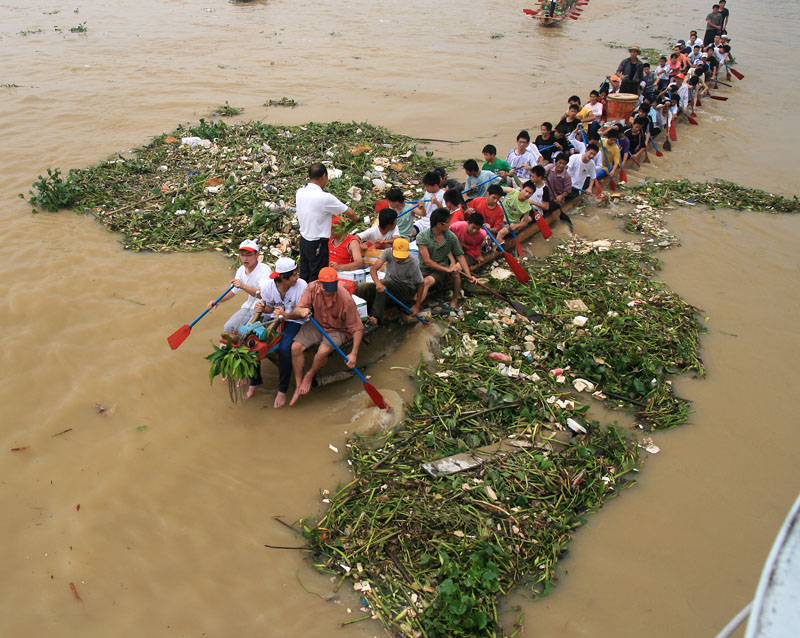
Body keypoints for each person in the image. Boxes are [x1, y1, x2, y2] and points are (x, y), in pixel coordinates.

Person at [286, 267, 364, 406]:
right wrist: (303, 310)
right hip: (317, 324)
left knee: (322, 351)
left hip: (338, 329)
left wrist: (354, 353)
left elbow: (357, 328)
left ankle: (310, 374)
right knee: (295, 348)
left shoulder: (345, 299)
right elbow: (298, 309)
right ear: (320, 284)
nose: (330, 292)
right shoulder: (312, 287)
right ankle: (298, 383)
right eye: (327, 288)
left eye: (332, 288)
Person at [252, 257, 308, 407]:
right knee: (252, 339)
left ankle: (282, 390)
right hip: (275, 318)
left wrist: (286, 314)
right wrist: (263, 308)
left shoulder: (302, 286)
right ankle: (255, 380)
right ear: (283, 278)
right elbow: (269, 308)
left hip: (294, 320)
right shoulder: (268, 287)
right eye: (294, 275)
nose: (297, 277)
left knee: (284, 349)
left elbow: (301, 313)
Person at [296, 163, 359, 283]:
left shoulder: (300, 192)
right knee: (317, 278)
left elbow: (314, 210)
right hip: (318, 245)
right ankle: (315, 301)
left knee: (304, 275)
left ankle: (304, 300)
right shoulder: (325, 198)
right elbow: (350, 213)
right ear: (324, 176)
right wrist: (356, 219)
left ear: (309, 175)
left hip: (304, 241)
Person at [416, 208, 475, 311]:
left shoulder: (451, 237)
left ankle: (455, 298)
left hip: (440, 271)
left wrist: (469, 275)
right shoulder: (422, 236)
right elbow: (427, 262)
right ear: (440, 224)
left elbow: (460, 256)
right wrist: (447, 269)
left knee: (427, 281)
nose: (450, 224)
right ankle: (412, 305)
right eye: (448, 222)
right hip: (424, 269)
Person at [356, 237, 425, 324]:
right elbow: (373, 270)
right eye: (397, 257)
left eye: (401, 258)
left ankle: (375, 318)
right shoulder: (388, 252)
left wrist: (417, 306)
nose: (399, 260)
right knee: (364, 287)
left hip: (404, 290)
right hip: (388, 285)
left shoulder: (412, 263)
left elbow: (421, 284)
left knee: (384, 283)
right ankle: (361, 315)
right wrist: (378, 284)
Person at [209, 239, 272, 334]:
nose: (245, 259)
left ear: (257, 255)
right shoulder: (241, 270)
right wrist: (218, 300)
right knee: (228, 328)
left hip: (264, 309)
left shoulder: (265, 270)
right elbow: (233, 290)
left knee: (247, 332)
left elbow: (261, 295)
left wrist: (243, 286)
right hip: (248, 307)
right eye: (242, 255)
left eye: (249, 255)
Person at [414, 171, 447, 236]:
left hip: (434, 223)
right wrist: (420, 206)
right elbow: (422, 208)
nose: (426, 188)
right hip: (423, 220)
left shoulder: (443, 194)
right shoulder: (427, 193)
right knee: (412, 231)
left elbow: (445, 212)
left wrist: (437, 203)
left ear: (435, 185)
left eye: (428, 186)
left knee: (425, 236)